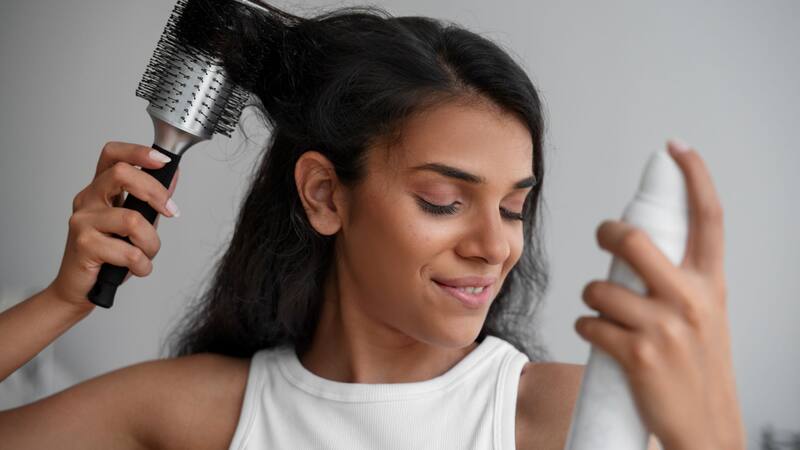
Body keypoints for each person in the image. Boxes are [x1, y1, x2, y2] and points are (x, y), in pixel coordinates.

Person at [0, 1, 745, 448]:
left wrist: (709, 431)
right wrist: (61, 301)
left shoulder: (562, 416)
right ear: (324, 195)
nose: (496, 245)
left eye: (515, 207)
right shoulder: (202, 413)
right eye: (444, 202)